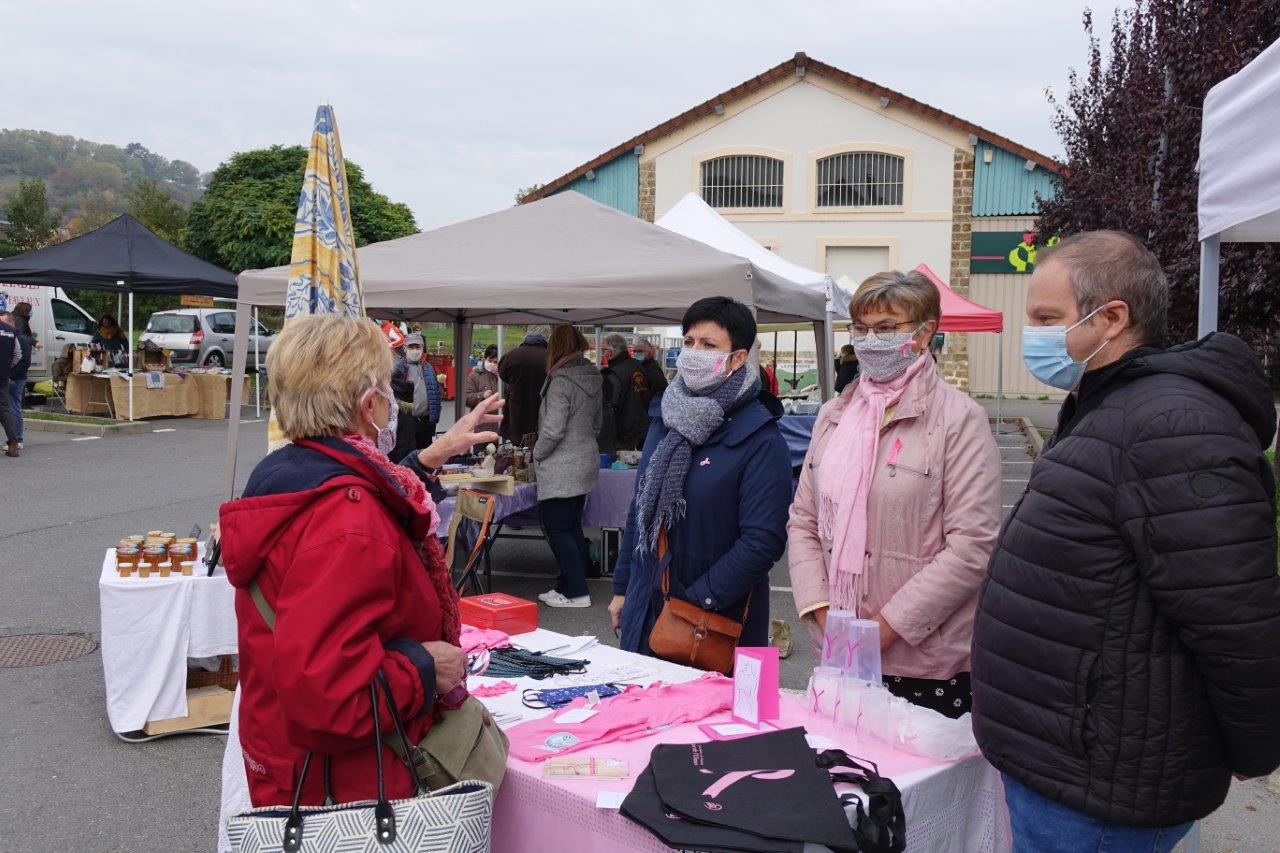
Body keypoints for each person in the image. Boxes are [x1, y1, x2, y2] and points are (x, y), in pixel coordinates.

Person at [970, 231, 1280, 850]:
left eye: (1046, 318)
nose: (1030, 334)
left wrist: (1257, 745)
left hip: (1105, 777)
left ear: (1111, 318)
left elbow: (1235, 614)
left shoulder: (1171, 426)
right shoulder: (1107, 407)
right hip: (1071, 757)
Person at [217, 314, 504, 808]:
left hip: (299, 768)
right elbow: (329, 694)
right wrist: (423, 666)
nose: (393, 404)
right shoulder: (346, 520)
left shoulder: (289, 475)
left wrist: (431, 456)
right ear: (369, 404)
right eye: (389, 389)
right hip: (351, 786)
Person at [788, 271, 1000, 717]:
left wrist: (885, 629)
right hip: (838, 651)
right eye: (860, 329)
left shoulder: (960, 420)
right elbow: (804, 520)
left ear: (924, 334)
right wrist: (823, 611)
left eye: (885, 328)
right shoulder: (834, 414)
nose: (869, 341)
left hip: (922, 662)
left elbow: (972, 546)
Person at [610, 297, 791, 659]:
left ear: (737, 358)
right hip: (646, 607)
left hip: (714, 622)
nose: (694, 352)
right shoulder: (665, 419)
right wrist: (623, 587)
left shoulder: (760, 438)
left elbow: (762, 541)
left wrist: (695, 601)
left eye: (709, 345)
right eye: (689, 342)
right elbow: (640, 509)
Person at [533, 325, 603, 608]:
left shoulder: (560, 380)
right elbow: (597, 423)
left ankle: (576, 592)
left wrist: (537, 454)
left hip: (561, 463)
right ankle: (567, 585)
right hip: (585, 458)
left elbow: (552, 430)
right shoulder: (593, 376)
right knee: (571, 526)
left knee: (558, 529)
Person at [498, 325, 549, 444]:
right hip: (542, 413)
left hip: (516, 412)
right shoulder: (551, 357)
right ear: (547, 336)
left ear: (527, 334)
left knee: (517, 454)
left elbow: (503, 375)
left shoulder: (511, 356)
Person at [393, 332, 442, 449]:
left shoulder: (429, 368)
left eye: (418, 347)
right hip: (407, 423)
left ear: (422, 348)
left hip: (427, 422)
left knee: (427, 455)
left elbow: (436, 392)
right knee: (408, 454)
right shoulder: (397, 369)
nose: (415, 350)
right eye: (411, 347)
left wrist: (435, 415)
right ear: (404, 348)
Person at [601, 333, 649, 450]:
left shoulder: (614, 374)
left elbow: (610, 405)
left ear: (612, 352)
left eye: (605, 350)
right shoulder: (638, 366)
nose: (603, 353)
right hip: (641, 429)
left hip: (621, 433)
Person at [4, 309, 31, 451]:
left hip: (13, 378)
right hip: (14, 377)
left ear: (12, 323)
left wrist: (9, 373)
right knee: (11, 408)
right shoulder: (20, 337)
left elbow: (21, 359)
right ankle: (16, 440)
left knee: (13, 408)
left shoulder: (16, 337)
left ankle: (17, 439)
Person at [0, 312, 21, 457]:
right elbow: (18, 355)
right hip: (3, 375)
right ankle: (13, 443)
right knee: (5, 410)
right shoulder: (11, 331)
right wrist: (7, 367)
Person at [632, 338, 669, 406]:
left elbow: (661, 385)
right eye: (634, 351)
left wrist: (647, 401)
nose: (636, 354)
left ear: (649, 353)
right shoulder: (638, 366)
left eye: (640, 351)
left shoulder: (652, 369)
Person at [465, 344, 500, 409]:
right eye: (490, 361)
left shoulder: (506, 375)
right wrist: (481, 395)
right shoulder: (475, 375)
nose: (492, 364)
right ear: (485, 359)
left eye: (496, 362)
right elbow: (466, 398)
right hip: (482, 416)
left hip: (502, 416)